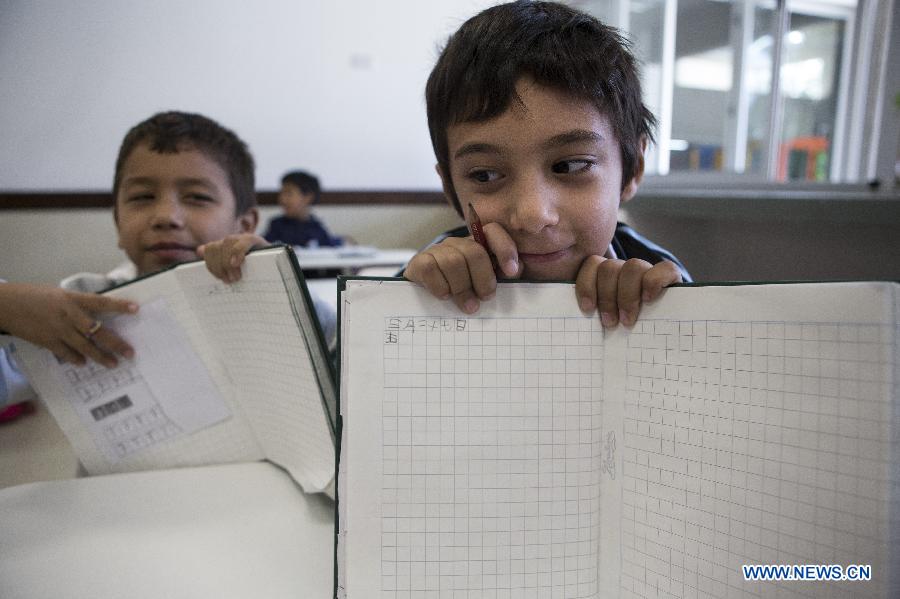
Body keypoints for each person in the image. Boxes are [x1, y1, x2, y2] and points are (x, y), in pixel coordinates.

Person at [403, 1, 690, 327]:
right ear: (450, 187)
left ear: (633, 168)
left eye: (569, 166)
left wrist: (661, 317)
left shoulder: (659, 275)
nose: (533, 215)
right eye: (485, 174)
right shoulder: (432, 275)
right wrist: (408, 301)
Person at [263, 171, 342, 248]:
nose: (282, 199)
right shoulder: (276, 225)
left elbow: (329, 244)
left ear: (308, 197)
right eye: (281, 193)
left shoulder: (316, 227)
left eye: (288, 193)